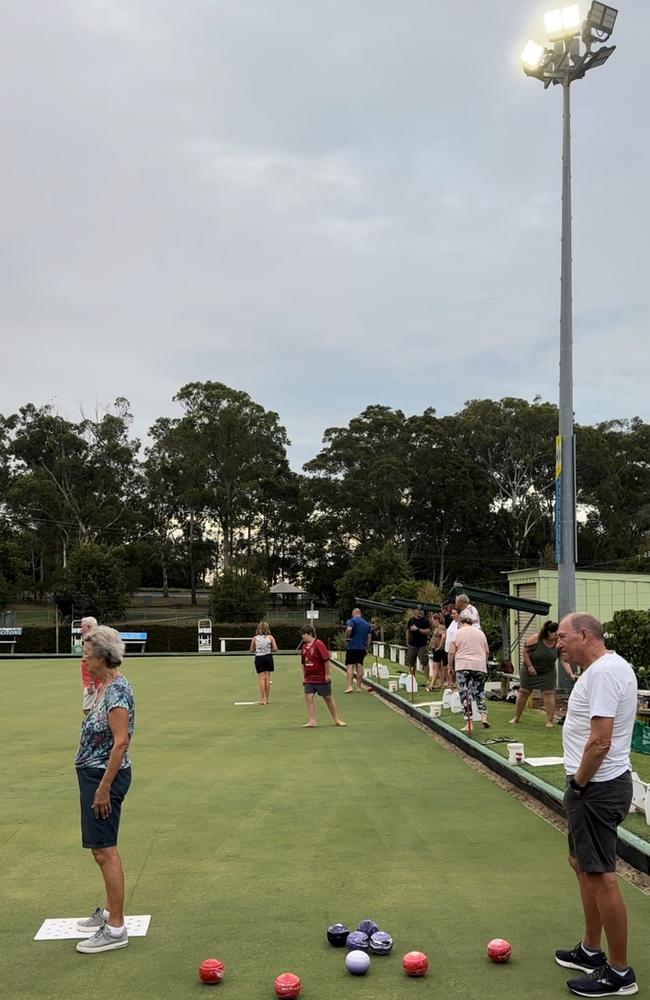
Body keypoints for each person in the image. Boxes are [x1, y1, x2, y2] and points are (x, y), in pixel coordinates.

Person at [554, 613, 638, 997]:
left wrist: (579, 784)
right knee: (581, 864)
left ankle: (620, 973)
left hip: (596, 788)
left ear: (584, 635)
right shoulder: (603, 668)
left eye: (563, 636)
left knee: (601, 875)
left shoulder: (605, 672)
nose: (558, 643)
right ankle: (590, 950)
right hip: (593, 786)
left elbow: (600, 741)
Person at [74, 626, 135, 954]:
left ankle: (115, 929)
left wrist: (103, 788)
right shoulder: (104, 686)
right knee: (101, 850)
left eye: (86, 653)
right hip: (94, 775)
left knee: (104, 850)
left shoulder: (116, 692)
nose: (83, 658)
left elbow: (120, 742)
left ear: (101, 656)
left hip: (103, 778)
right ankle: (111, 913)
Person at [508, 621, 577, 728]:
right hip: (529, 669)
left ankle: (549, 721)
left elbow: (563, 660)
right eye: (555, 633)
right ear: (548, 632)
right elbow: (525, 651)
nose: (557, 636)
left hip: (547, 671)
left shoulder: (558, 644)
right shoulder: (536, 639)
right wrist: (530, 666)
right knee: (524, 692)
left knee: (548, 693)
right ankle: (516, 718)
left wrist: (570, 674)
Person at [448, 611, 490, 730]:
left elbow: (451, 652)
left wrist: (450, 666)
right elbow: (487, 651)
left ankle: (469, 723)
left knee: (464, 693)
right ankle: (483, 717)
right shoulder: (480, 633)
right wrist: (482, 662)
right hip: (479, 666)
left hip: (463, 666)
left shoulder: (457, 633)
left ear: (460, 622)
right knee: (479, 692)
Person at [300, 626, 346, 728]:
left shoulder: (319, 644)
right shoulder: (304, 647)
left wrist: (327, 674)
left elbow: (326, 660)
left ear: (310, 633)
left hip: (320, 677)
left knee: (328, 698)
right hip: (309, 678)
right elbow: (303, 663)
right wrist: (304, 677)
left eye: (304, 634)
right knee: (308, 697)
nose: (302, 636)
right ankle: (312, 721)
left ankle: (336, 719)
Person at [344, 608, 372, 692]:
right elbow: (369, 637)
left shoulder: (352, 621)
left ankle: (350, 686)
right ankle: (359, 687)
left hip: (352, 646)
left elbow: (349, 629)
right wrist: (366, 647)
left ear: (354, 613)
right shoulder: (367, 624)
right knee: (359, 666)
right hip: (362, 648)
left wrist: (346, 637)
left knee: (350, 666)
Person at [250, 621, 278, 705]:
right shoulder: (270, 637)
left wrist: (258, 649)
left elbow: (251, 650)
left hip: (259, 657)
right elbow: (275, 649)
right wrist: (268, 649)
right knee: (267, 679)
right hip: (268, 657)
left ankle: (262, 699)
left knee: (262, 679)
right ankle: (267, 699)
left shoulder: (255, 638)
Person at [405, 606, 431, 685]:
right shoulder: (411, 620)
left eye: (421, 610)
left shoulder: (426, 621)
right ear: (415, 611)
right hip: (412, 644)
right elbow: (408, 631)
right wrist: (407, 642)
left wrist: (418, 629)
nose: (419, 612)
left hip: (422, 645)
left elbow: (428, 631)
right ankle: (412, 678)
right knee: (411, 662)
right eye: (418, 610)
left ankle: (427, 679)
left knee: (425, 662)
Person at [79, 616, 99, 714]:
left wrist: (91, 683)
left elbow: (93, 663)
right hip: (92, 681)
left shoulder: (91, 641)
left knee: (88, 710)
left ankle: (96, 728)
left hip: (93, 682)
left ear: (87, 626)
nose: (80, 629)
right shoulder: (92, 639)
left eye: (82, 627)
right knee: (92, 708)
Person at [427, 613, 447, 691]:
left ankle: (432, 685)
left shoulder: (441, 627)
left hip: (439, 650)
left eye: (433, 620)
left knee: (435, 667)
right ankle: (441, 684)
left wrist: (440, 646)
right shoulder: (438, 627)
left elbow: (443, 636)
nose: (432, 622)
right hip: (436, 649)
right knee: (439, 668)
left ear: (437, 619)